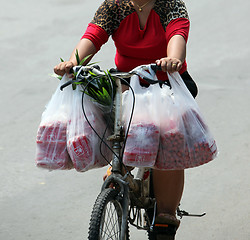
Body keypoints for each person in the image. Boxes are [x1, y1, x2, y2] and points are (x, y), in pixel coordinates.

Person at [54, 0, 198, 238]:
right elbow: (93, 35)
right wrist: (73, 62)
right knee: (116, 123)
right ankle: (121, 165)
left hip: (167, 81)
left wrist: (172, 59)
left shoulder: (170, 4)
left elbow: (177, 34)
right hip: (128, 82)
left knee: (168, 139)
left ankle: (165, 215)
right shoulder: (114, 6)